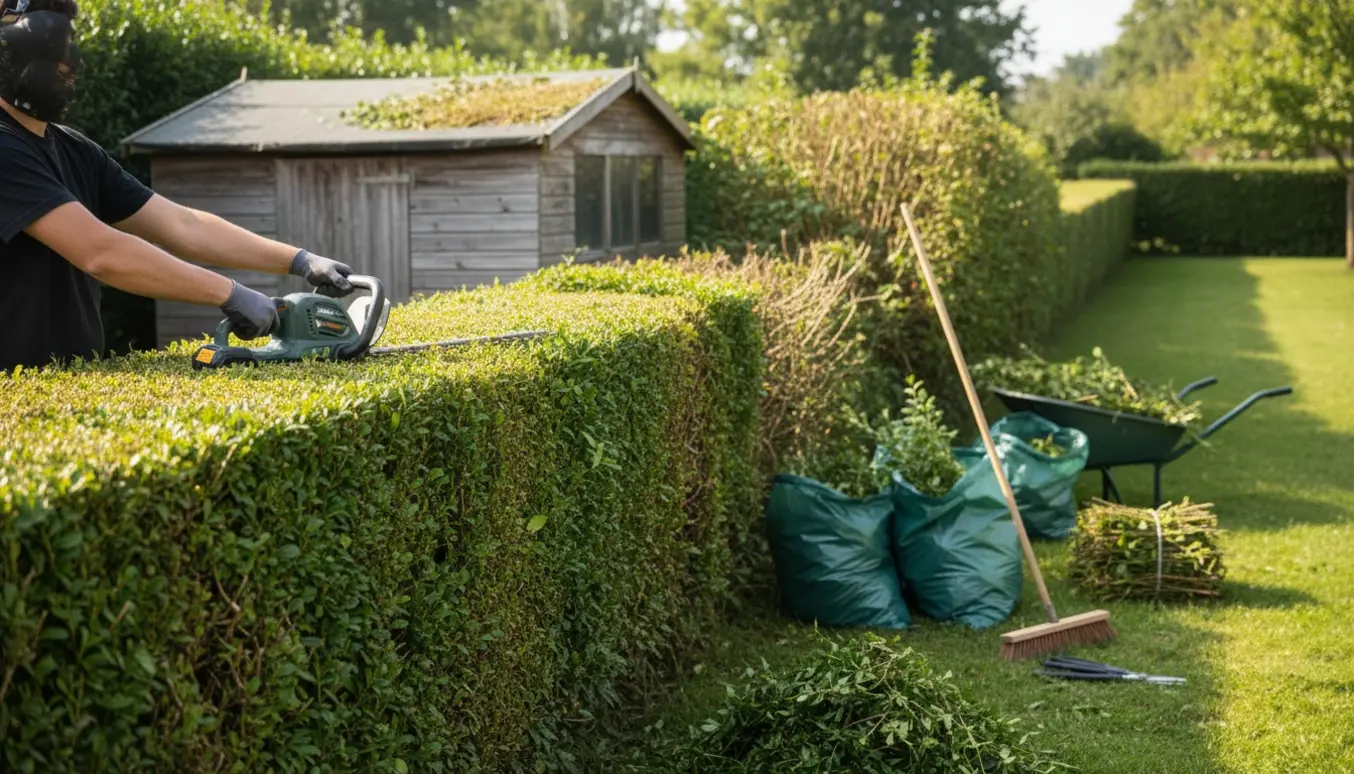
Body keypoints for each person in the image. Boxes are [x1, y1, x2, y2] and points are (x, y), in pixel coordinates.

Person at [0, 0, 356, 373]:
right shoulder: (4, 150)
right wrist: (228, 293)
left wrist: (300, 260)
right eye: (58, 51)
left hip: (71, 384)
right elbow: (101, 253)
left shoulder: (75, 150)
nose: (73, 67)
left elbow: (182, 226)